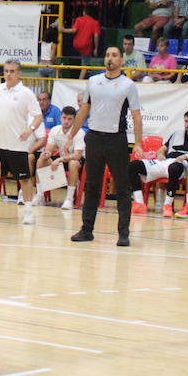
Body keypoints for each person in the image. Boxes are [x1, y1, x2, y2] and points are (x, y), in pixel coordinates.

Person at [63, 46, 143, 246]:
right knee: (92, 186)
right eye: (107, 55)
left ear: (121, 60)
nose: (110, 58)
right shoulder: (93, 81)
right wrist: (71, 136)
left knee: (122, 188)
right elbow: (84, 111)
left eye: (114, 55)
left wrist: (138, 143)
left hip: (117, 140)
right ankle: (86, 230)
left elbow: (136, 116)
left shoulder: (128, 85)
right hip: (94, 138)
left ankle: (123, 234)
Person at [0, 59, 43, 223]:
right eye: (6, 71)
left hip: (17, 145)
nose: (8, 74)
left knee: (24, 178)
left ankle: (28, 211)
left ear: (19, 73)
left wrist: (29, 130)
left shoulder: (26, 94)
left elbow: (38, 116)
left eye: (12, 71)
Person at [133, 109, 188, 217]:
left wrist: (187, 156)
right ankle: (139, 202)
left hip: (183, 164)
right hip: (165, 161)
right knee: (134, 166)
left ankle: (168, 204)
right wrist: (160, 154)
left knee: (174, 168)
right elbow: (162, 149)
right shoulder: (177, 134)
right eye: (186, 121)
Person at [36, 105, 86, 211]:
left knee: (73, 163)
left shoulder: (80, 132)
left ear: (74, 120)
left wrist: (59, 159)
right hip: (62, 160)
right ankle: (40, 195)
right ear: (60, 117)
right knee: (41, 160)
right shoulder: (55, 130)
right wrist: (46, 153)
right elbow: (49, 149)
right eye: (64, 118)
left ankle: (69, 199)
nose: (66, 121)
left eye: (69, 119)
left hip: (78, 162)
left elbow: (77, 155)